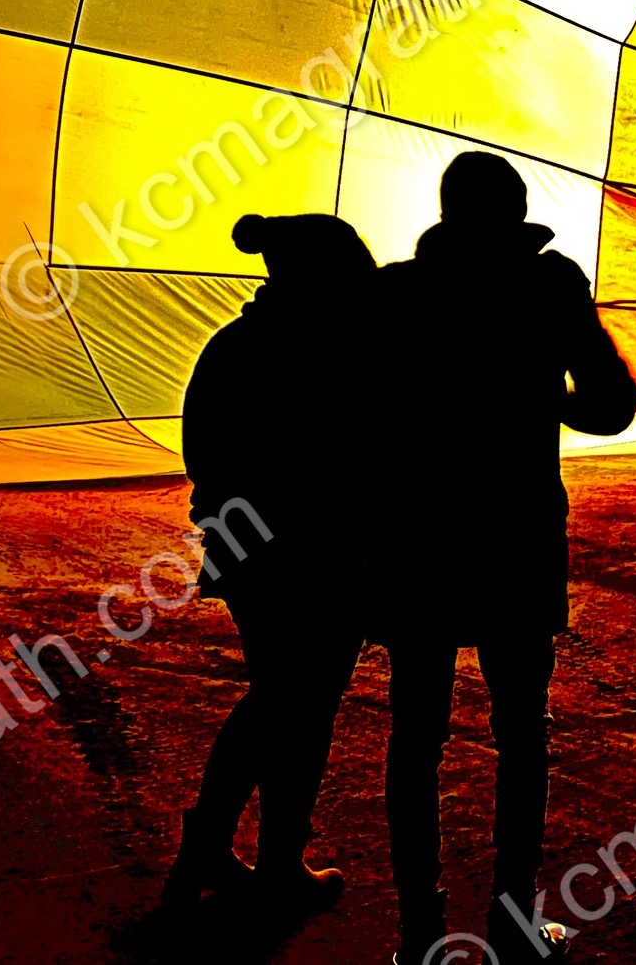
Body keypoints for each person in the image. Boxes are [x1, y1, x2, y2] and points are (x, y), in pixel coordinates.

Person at [377, 152, 636, 965]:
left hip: (416, 537)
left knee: (415, 734)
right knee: (522, 728)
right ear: (517, 213)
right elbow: (612, 403)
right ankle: (514, 913)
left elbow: (354, 411)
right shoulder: (551, 284)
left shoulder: (396, 292)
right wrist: (543, 400)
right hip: (518, 534)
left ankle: (419, 925)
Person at [163, 214, 374, 916]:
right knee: (297, 706)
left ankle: (223, 852)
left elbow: (207, 460)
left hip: (249, 556)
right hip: (315, 558)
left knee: (281, 700)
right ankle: (259, 859)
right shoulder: (331, 351)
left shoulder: (234, 345)